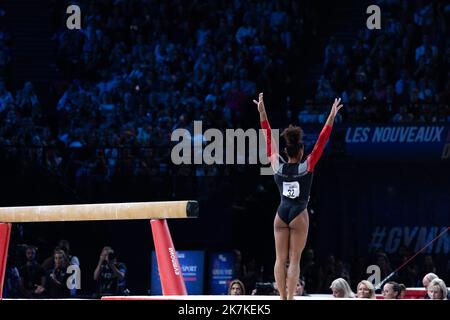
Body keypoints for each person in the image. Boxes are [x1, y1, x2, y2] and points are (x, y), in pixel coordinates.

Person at [254, 93, 343, 300]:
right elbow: (322, 140)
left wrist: (262, 112)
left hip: (281, 212)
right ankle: (290, 299)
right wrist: (331, 116)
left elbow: (268, 136)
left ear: (285, 151)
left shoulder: (277, 165)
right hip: (299, 213)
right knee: (294, 259)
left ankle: (282, 297)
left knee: (279, 258)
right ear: (301, 150)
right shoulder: (307, 165)